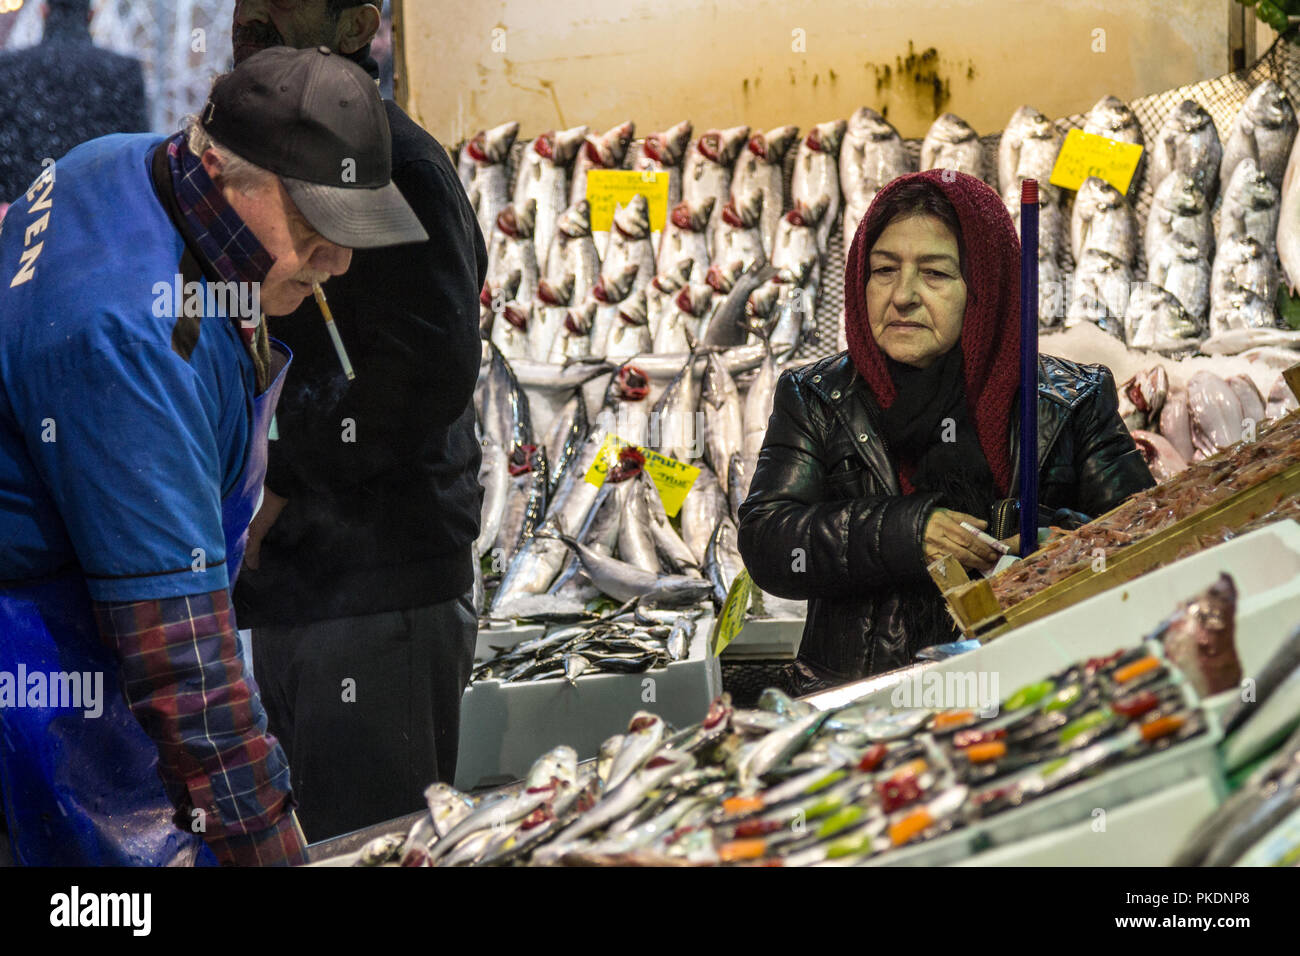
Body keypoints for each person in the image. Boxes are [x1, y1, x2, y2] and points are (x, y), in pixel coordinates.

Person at [0, 46, 428, 866]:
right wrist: (272, 847)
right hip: (42, 679)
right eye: (315, 227)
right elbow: (187, 671)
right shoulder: (133, 342)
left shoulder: (116, 162)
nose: (338, 262)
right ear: (223, 169)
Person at [738, 170, 1154, 694]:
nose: (903, 296)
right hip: (861, 707)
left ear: (986, 287)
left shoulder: (1071, 399)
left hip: (1033, 698)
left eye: (934, 274)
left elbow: (1147, 536)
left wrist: (1056, 537)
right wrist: (908, 533)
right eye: (884, 270)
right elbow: (769, 540)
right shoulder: (817, 395)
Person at [228, 1, 487, 841]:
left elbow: (426, 375)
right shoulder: (250, 163)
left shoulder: (399, 164)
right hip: (293, 583)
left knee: (372, 846)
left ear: (356, 25)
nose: (253, 13)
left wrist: (282, 485)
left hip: (380, 586)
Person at [0, 0, 149, 204]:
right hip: (96, 209)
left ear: (44, 11)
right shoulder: (123, 71)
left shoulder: (9, 68)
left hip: (26, 212)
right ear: (91, 15)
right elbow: (134, 152)